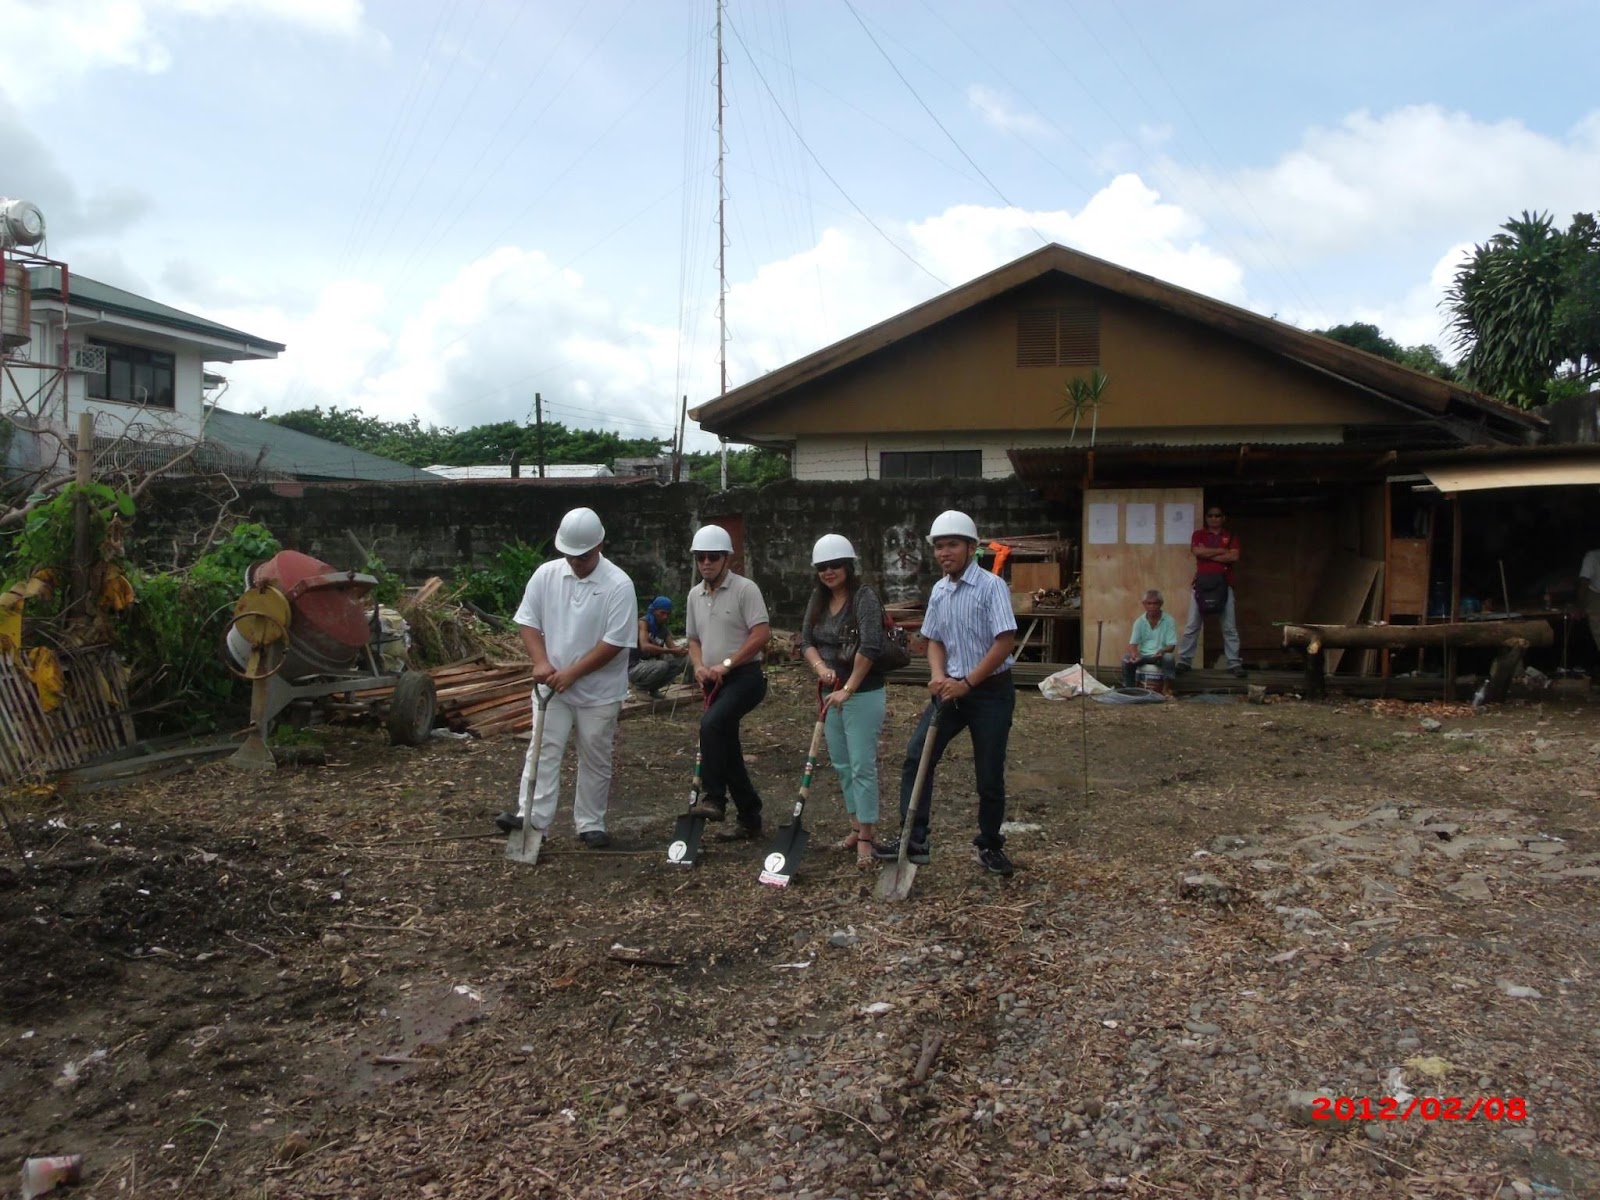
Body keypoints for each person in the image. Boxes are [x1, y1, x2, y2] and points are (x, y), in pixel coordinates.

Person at [875, 510, 1018, 877]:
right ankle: (914, 839)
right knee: (917, 756)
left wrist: (968, 682)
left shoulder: (991, 587)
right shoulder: (939, 590)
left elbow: (1004, 642)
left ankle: (989, 845)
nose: (944, 553)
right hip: (950, 690)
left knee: (988, 773)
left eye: (952, 544)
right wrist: (938, 675)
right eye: (939, 546)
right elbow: (933, 639)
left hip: (990, 692)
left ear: (971, 547)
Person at [494, 507, 637, 849]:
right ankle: (531, 819)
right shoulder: (546, 575)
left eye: (583, 556)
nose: (576, 562)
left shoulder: (619, 584)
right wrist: (540, 661)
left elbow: (615, 643)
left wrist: (573, 673)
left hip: (599, 691)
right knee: (543, 749)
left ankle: (591, 822)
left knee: (595, 753)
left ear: (600, 545)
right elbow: (528, 621)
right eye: (570, 555)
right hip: (551, 686)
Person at [797, 534, 888, 869]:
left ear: (849, 566)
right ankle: (855, 826)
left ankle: (867, 835)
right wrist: (820, 667)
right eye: (822, 567)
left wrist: (848, 688)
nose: (829, 572)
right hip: (830, 694)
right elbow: (805, 640)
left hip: (862, 693)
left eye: (835, 565)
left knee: (862, 764)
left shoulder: (863, 597)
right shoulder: (818, 599)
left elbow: (871, 646)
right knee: (842, 765)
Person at [684, 525, 772, 840]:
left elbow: (761, 634)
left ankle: (714, 798)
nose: (706, 563)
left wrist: (726, 664)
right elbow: (693, 639)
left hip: (744, 677)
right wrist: (699, 667)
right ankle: (750, 816)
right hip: (712, 680)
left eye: (712, 557)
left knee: (711, 725)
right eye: (700, 557)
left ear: (726, 559)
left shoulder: (745, 589)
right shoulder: (695, 595)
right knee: (727, 748)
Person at [1175, 503, 1245, 678]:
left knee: (1229, 627)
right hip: (1201, 585)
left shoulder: (1230, 536)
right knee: (1192, 625)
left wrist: (1209, 553)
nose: (1214, 518)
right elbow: (1197, 551)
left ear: (1223, 518)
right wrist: (1221, 551)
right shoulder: (1199, 534)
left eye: (1218, 515)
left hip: (1224, 585)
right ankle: (1184, 661)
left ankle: (1234, 663)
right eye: (1211, 515)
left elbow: (1234, 556)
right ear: (1206, 518)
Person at [628, 595, 688, 697]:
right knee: (662, 665)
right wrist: (670, 651)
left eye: (668, 614)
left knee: (683, 661)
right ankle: (640, 688)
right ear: (654, 611)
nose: (665, 617)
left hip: (652, 665)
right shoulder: (643, 623)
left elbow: (674, 649)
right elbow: (645, 646)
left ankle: (653, 688)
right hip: (634, 667)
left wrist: (685, 650)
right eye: (662, 613)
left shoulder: (664, 630)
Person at [1122, 589, 1178, 688]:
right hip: (1143, 656)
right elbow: (1133, 644)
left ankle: (1167, 690)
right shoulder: (1139, 622)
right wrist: (1135, 655)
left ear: (1161, 604)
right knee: (1126, 659)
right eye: (1149, 603)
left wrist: (1162, 651)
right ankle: (1129, 688)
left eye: (1155, 603)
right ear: (1144, 604)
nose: (1152, 606)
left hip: (1160, 656)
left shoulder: (1169, 620)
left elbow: (1171, 645)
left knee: (1169, 658)